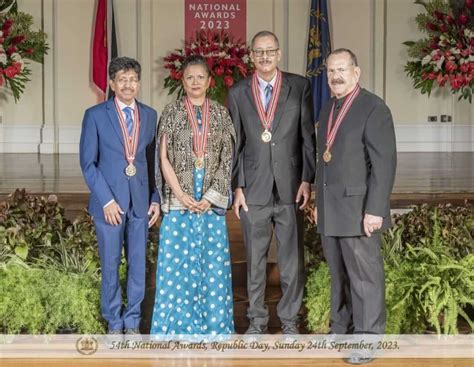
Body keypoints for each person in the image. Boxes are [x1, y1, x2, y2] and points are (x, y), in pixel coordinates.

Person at [228, 31, 316, 335]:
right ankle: (257, 321)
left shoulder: (299, 86)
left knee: (292, 260)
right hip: (254, 188)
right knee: (255, 261)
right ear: (251, 56)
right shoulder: (238, 92)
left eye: (270, 51)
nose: (265, 57)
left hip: (291, 186)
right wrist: (237, 186)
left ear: (279, 54)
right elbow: (235, 143)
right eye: (259, 52)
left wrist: (307, 178)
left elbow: (308, 137)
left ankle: (290, 322)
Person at [313, 48, 396, 364]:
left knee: (365, 279)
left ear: (356, 73)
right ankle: (341, 330)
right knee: (339, 275)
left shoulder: (374, 108)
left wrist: (375, 209)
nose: (335, 76)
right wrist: (319, 204)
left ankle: (369, 340)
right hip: (330, 210)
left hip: (360, 211)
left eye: (342, 70)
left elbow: (384, 164)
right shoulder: (327, 108)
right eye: (331, 71)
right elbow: (324, 160)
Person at [151, 55, 235, 336]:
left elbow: (228, 159)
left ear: (210, 81)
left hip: (209, 200)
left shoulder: (222, 114)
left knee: (212, 269)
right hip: (180, 201)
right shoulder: (171, 112)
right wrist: (180, 194)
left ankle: (214, 329)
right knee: (177, 269)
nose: (195, 82)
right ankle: (176, 329)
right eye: (190, 77)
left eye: (201, 77)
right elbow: (163, 158)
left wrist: (211, 197)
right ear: (182, 81)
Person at [80, 57, 160, 334]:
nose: (128, 85)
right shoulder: (95, 115)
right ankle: (114, 321)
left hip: (140, 203)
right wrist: (107, 200)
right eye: (122, 80)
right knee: (111, 264)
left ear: (139, 83)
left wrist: (156, 198)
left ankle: (133, 320)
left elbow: (153, 162)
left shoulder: (150, 115)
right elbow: (88, 164)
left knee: (138, 265)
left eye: (133, 79)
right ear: (112, 84)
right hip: (109, 206)